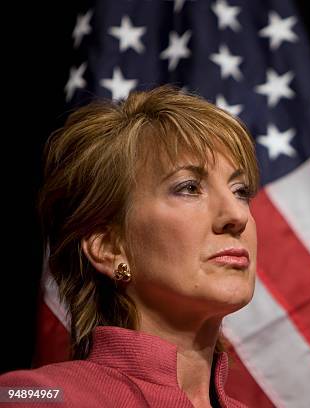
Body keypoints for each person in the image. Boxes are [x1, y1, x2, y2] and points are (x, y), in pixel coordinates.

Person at [0, 85, 259, 407]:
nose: (237, 215)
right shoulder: (36, 396)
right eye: (189, 187)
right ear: (109, 247)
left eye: (241, 190)